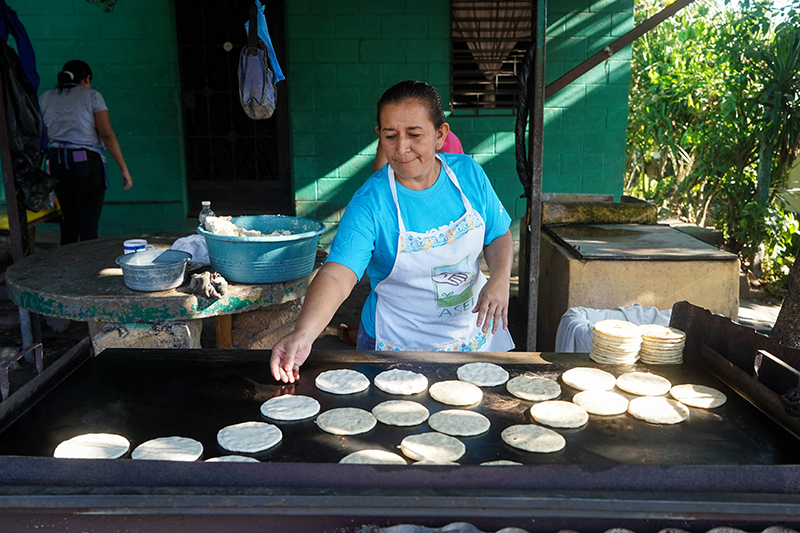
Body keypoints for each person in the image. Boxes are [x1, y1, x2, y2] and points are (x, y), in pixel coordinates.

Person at [271, 80, 514, 383]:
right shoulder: (371, 202)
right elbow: (338, 274)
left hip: (473, 335)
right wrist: (304, 332)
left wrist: (501, 278)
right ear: (379, 137)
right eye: (391, 136)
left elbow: (497, 234)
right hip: (395, 348)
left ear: (440, 135)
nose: (401, 149)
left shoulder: (468, 174)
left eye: (414, 135)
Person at [39, 60, 132, 245]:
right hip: (86, 162)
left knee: (69, 220)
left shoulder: (46, 97)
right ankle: (86, 269)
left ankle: (63, 267)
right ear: (87, 78)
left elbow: (44, 134)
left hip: (56, 161)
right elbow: (106, 133)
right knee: (88, 223)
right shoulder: (93, 96)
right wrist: (123, 168)